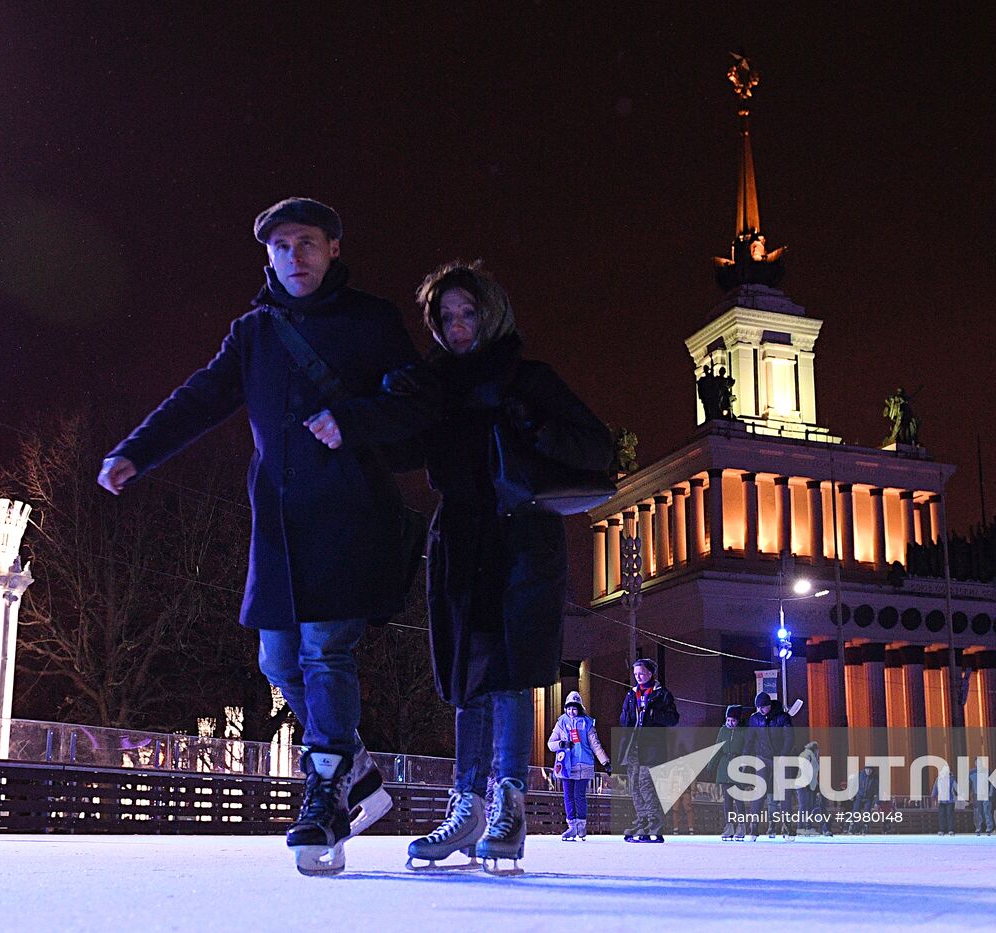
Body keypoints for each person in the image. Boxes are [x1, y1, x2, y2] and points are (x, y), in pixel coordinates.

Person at [97, 198, 429, 875]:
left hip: (347, 515)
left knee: (324, 650)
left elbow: (415, 400)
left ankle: (328, 793)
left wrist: (353, 418)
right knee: (278, 662)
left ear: (334, 247)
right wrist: (137, 450)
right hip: (278, 527)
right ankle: (357, 773)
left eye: (306, 242)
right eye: (281, 246)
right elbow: (199, 397)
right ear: (267, 257)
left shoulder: (372, 320)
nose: (294, 257)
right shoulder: (253, 332)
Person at [399, 261, 612, 873]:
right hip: (462, 536)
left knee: (512, 672)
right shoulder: (435, 387)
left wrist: (533, 423)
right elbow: (395, 446)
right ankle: (466, 808)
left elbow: (595, 448)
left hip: (521, 533)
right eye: (446, 317)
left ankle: (508, 806)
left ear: (491, 313)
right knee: (469, 673)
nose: (458, 326)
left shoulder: (528, 378)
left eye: (468, 312)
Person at [620, 658, 681, 842]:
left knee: (646, 785)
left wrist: (654, 714)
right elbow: (624, 721)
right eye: (636, 673)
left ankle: (655, 824)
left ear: (650, 673)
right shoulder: (631, 694)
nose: (638, 676)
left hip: (652, 747)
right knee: (634, 786)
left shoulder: (661, 694)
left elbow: (673, 719)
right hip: (633, 746)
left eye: (641, 673)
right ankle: (642, 821)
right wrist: (626, 716)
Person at [547, 691, 610, 841]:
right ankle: (572, 826)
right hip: (567, 764)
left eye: (574, 708)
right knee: (568, 795)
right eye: (568, 708)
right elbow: (550, 743)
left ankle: (581, 825)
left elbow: (595, 744)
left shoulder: (587, 723)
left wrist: (605, 762)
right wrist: (561, 744)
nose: (571, 711)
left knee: (579, 795)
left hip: (584, 763)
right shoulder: (561, 722)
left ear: (579, 708)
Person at [747, 692, 791, 838]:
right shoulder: (754, 719)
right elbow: (750, 740)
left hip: (780, 758)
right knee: (759, 792)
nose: (761, 710)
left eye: (763, 707)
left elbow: (789, 738)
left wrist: (784, 755)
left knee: (784, 794)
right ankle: (754, 829)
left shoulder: (782, 717)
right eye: (758, 707)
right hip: (763, 758)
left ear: (769, 705)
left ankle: (787, 827)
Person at [715, 705, 748, 840]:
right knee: (727, 800)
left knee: (739, 799)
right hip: (724, 767)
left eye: (733, 720)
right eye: (728, 720)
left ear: (738, 720)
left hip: (738, 766)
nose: (730, 723)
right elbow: (717, 748)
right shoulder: (723, 730)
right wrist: (711, 765)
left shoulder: (743, 732)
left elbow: (747, 748)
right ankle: (729, 826)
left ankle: (741, 826)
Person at [797, 740, 830, 836]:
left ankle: (808, 827)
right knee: (803, 806)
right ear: (815, 749)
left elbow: (814, 774)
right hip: (803, 784)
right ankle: (800, 827)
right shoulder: (806, 754)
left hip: (810, 785)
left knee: (809, 807)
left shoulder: (813, 756)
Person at [851, 764, 879, 835]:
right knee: (855, 811)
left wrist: (877, 802)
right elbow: (853, 785)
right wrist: (851, 794)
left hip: (868, 798)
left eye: (870, 770)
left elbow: (878, 790)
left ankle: (865, 826)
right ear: (864, 769)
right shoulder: (860, 775)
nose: (868, 771)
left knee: (867, 812)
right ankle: (853, 826)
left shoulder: (875, 778)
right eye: (867, 770)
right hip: (859, 797)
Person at [969, 757, 994, 836]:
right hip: (976, 795)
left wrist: (991, 793)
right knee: (977, 812)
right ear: (975, 763)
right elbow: (969, 784)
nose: (978, 764)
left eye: (979, 762)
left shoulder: (987, 771)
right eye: (977, 762)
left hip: (986, 794)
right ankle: (978, 828)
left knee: (987, 811)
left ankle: (989, 827)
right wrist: (969, 795)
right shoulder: (971, 772)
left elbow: (992, 783)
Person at [933, 765, 958, 836]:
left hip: (950, 800)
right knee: (941, 815)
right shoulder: (938, 779)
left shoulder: (951, 779)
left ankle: (951, 829)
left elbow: (956, 788)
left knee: (950, 815)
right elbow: (935, 787)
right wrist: (934, 794)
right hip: (941, 800)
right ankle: (942, 829)